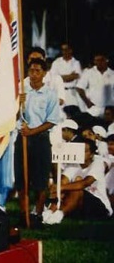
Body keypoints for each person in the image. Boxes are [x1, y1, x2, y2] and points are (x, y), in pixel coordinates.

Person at [15, 58, 60, 227]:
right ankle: (23, 212)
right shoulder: (21, 92)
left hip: (40, 139)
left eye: (37, 71)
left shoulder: (50, 94)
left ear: (44, 73)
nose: (33, 75)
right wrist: (17, 104)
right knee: (22, 178)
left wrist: (32, 132)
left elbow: (52, 120)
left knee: (40, 179)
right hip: (22, 138)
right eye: (31, 71)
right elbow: (12, 116)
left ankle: (37, 214)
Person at [43, 138, 113, 224]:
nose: (80, 154)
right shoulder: (74, 164)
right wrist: (59, 187)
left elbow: (85, 183)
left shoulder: (98, 163)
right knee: (66, 188)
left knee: (76, 188)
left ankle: (59, 215)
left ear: (91, 154)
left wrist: (60, 187)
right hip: (80, 204)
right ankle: (50, 212)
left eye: (84, 151)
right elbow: (63, 181)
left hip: (99, 205)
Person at [76, 52, 114, 119]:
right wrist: (88, 102)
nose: (99, 62)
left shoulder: (112, 73)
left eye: (101, 60)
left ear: (106, 60)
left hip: (109, 108)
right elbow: (79, 88)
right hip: (94, 107)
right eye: (97, 60)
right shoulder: (88, 72)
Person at [50, 43, 83, 108]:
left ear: (70, 50)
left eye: (66, 49)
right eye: (63, 50)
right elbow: (53, 78)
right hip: (59, 93)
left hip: (72, 93)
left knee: (73, 114)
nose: (65, 52)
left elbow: (76, 76)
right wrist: (70, 76)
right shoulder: (56, 62)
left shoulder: (76, 62)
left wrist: (61, 77)